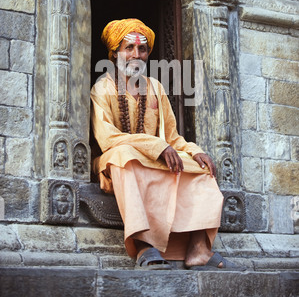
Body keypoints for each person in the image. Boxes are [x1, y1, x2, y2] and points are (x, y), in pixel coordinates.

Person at [90, 18, 244, 271]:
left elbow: (172, 138)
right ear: (114, 53)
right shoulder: (102, 88)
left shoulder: (155, 87)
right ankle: (143, 245)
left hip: (155, 156)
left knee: (201, 169)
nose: (135, 55)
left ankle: (199, 250)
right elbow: (107, 138)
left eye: (142, 49)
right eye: (128, 48)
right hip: (114, 160)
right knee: (125, 154)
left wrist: (195, 151)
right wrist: (155, 147)